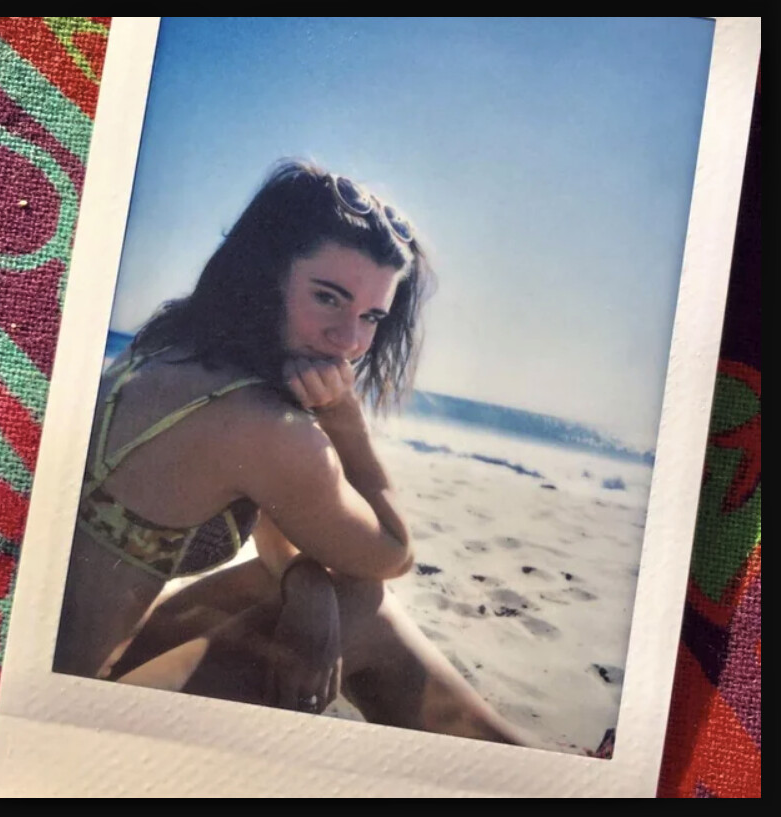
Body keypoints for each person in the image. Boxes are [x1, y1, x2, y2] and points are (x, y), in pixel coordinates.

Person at [54, 160, 533, 744]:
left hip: (61, 663)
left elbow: (271, 522)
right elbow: (392, 553)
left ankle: (520, 756)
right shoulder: (265, 425)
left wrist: (307, 585)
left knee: (315, 593)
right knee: (365, 604)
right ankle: (528, 768)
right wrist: (346, 423)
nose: (349, 341)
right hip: (71, 716)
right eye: (328, 298)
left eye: (371, 316)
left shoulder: (168, 344)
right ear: (266, 276)